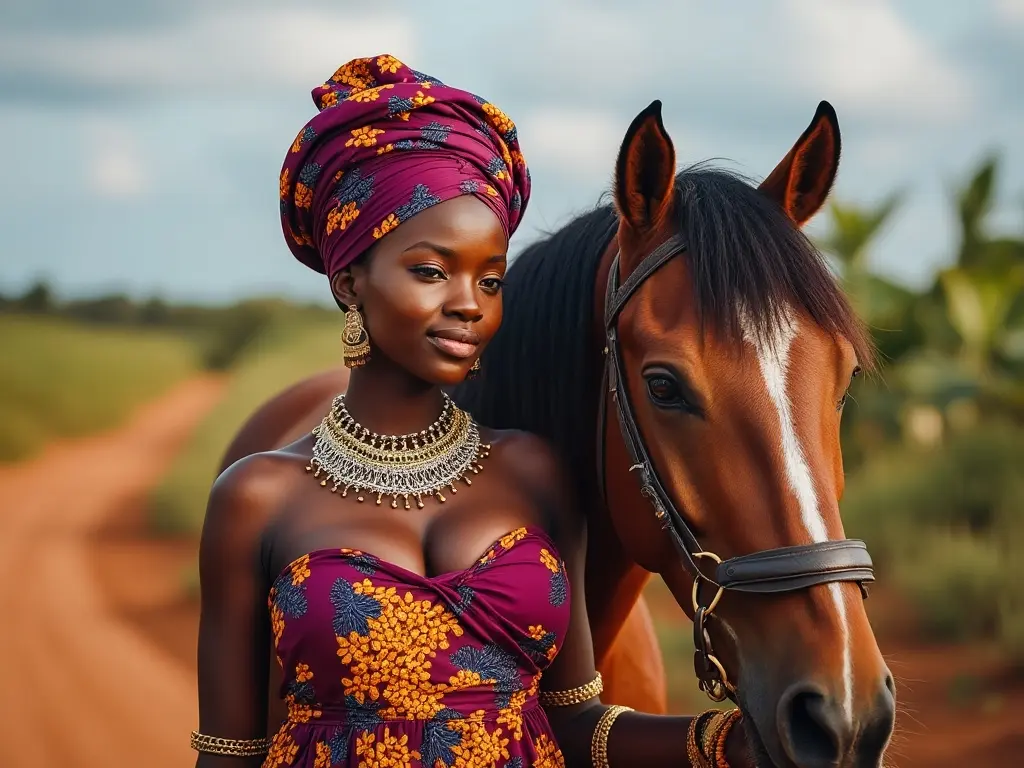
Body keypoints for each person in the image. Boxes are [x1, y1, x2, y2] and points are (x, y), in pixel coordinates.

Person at [192, 55, 748, 768]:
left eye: (490, 278)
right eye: (431, 271)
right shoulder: (254, 498)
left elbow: (577, 728)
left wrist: (727, 741)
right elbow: (229, 756)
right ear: (349, 279)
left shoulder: (534, 474)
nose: (469, 303)